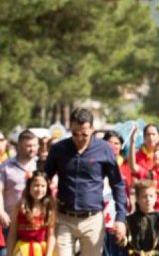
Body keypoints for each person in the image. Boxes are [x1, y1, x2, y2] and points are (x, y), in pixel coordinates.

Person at [44, 108, 127, 256]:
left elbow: (118, 184)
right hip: (64, 218)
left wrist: (120, 218)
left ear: (93, 130)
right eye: (75, 133)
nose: (79, 138)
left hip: (93, 220)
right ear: (70, 128)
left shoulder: (104, 149)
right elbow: (45, 177)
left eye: (84, 134)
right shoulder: (58, 149)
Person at [0, 130, 38, 256]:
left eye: (34, 145)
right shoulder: (5, 166)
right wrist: (1, 212)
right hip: (11, 221)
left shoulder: (41, 165)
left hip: (35, 222)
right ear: (19, 146)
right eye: (28, 146)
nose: (32, 149)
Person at [5, 171, 56, 256]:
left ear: (47, 188)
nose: (39, 189)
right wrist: (9, 253)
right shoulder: (20, 207)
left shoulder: (49, 208)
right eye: (36, 185)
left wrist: (49, 254)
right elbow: (12, 233)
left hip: (41, 251)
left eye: (43, 186)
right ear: (29, 187)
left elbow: (51, 235)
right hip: (22, 250)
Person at [122, 180, 159, 256]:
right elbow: (126, 246)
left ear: (155, 198)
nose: (148, 199)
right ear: (138, 199)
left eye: (151, 196)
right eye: (144, 196)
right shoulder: (130, 220)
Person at [102, 131, 131, 256]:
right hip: (102, 211)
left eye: (116, 143)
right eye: (109, 143)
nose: (113, 146)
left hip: (119, 212)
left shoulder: (125, 166)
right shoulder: (99, 164)